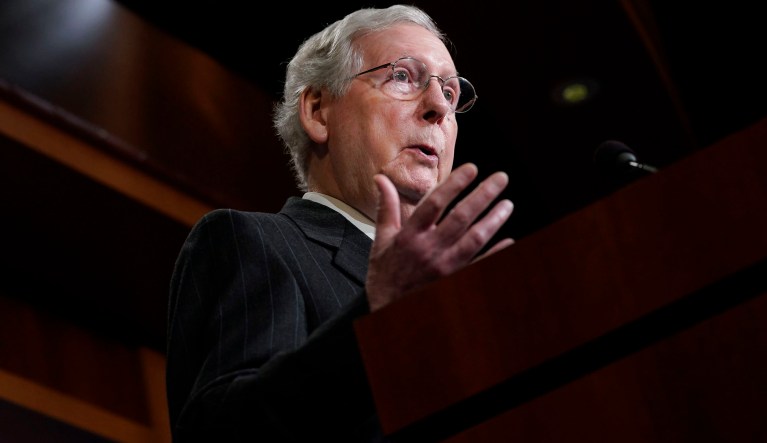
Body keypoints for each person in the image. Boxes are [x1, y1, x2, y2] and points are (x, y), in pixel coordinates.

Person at [165, 4, 514, 442]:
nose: (438, 109)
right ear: (317, 111)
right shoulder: (251, 242)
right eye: (403, 76)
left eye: (449, 92)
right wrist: (379, 316)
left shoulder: (465, 296)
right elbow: (223, 433)